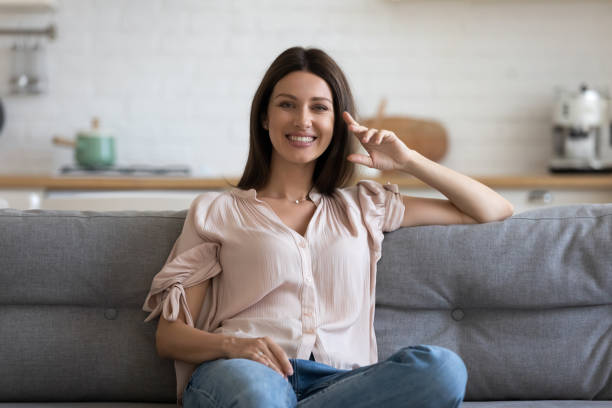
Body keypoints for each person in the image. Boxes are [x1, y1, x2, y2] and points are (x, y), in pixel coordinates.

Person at [142, 46, 514, 408]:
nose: (302, 120)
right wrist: (235, 346)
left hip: (342, 383)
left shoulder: (363, 206)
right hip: (244, 373)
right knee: (260, 396)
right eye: (287, 104)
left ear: (336, 122)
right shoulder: (216, 211)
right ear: (265, 117)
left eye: (319, 108)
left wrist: (409, 160)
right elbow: (170, 336)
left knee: (442, 370)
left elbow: (492, 209)